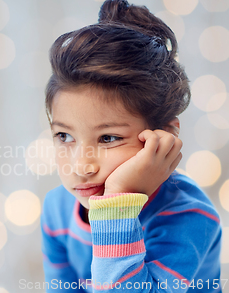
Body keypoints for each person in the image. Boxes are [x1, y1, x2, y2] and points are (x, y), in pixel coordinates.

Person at [40, 0, 222, 292]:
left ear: (165, 138)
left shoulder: (189, 217)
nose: (81, 165)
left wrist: (117, 202)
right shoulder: (57, 209)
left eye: (108, 138)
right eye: (64, 136)